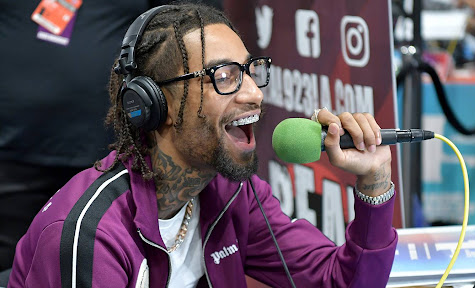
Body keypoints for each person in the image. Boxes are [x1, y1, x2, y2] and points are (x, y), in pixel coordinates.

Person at [9, 3, 398, 288]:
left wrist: (375, 182)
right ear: (155, 104)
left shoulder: (233, 194)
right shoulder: (90, 236)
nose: (254, 94)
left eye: (250, 72)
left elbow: (342, 281)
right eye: (224, 76)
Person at [0, 0, 221, 273]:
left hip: (109, 158)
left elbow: (188, 27)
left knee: (102, 265)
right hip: (12, 154)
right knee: (11, 270)